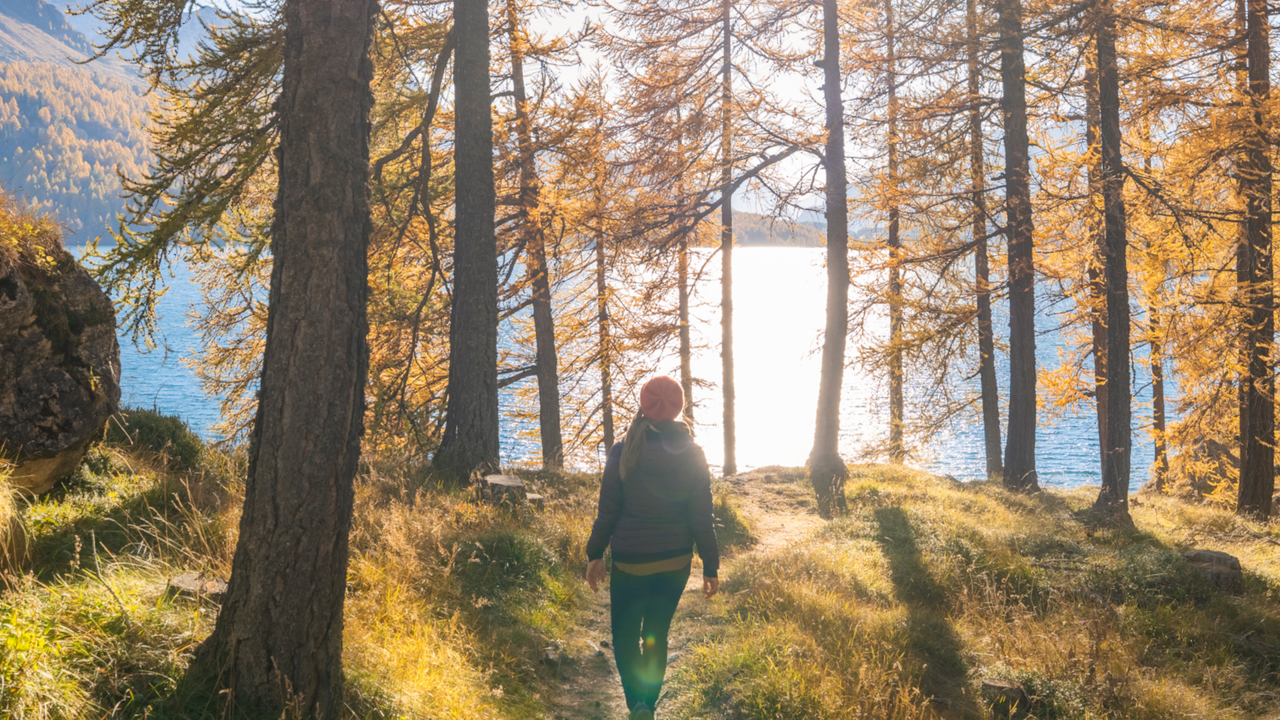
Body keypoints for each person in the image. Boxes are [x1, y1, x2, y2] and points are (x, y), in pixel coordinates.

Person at [585, 375, 720, 720]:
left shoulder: (623, 449)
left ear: (644, 406)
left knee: (626, 637)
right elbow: (701, 517)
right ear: (678, 409)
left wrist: (595, 554)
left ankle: (637, 706)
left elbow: (608, 511)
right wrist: (710, 566)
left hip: (631, 563)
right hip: (676, 563)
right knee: (656, 634)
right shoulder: (693, 452)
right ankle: (649, 703)